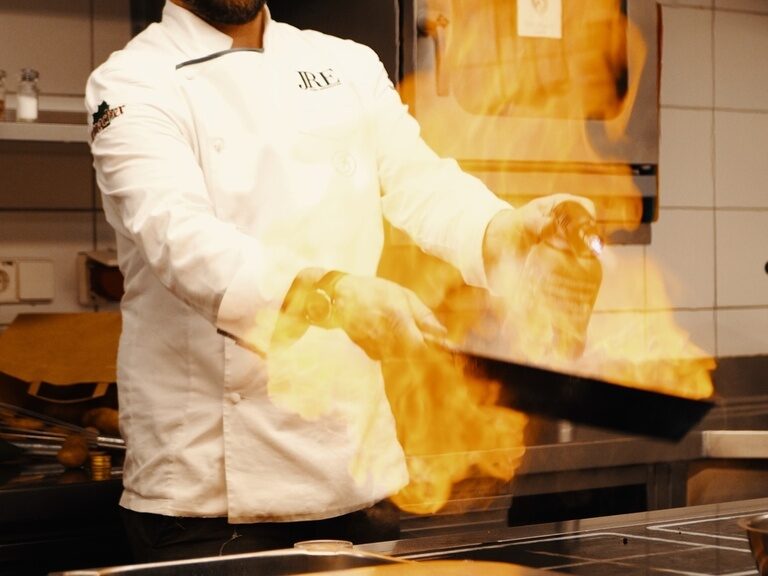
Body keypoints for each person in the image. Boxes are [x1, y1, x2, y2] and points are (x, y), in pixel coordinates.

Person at [86, 0, 595, 563]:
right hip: (207, 504)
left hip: (357, 482)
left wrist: (504, 229)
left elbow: (421, 182)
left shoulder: (347, 64)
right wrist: (334, 294)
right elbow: (179, 240)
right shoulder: (133, 79)